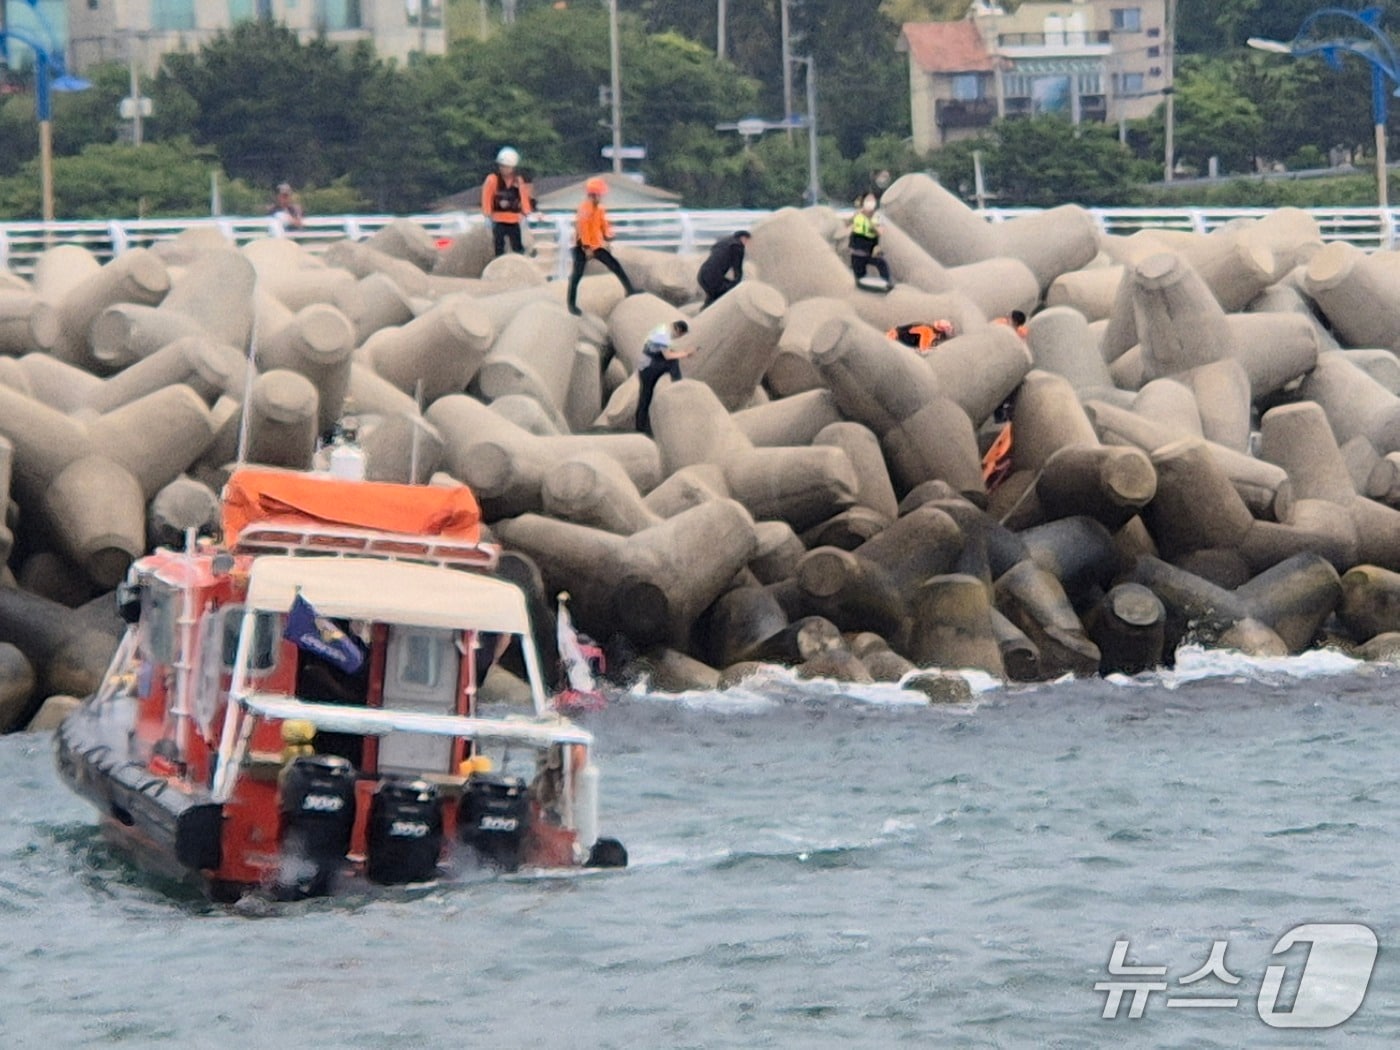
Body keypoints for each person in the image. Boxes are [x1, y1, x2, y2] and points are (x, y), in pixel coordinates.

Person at [566, 177, 635, 316]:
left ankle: (630, 290)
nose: (601, 197)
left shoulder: (599, 209)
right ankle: (571, 305)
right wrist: (586, 248)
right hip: (582, 246)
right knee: (577, 275)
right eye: (599, 194)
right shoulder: (585, 208)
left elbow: (603, 225)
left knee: (615, 265)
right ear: (593, 194)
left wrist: (608, 236)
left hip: (596, 245)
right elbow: (583, 228)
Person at [634, 319, 694, 436]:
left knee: (645, 395)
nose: (679, 337)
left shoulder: (663, 329)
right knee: (646, 395)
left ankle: (641, 426)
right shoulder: (664, 334)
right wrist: (686, 354)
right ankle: (678, 388)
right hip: (649, 366)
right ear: (677, 330)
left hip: (646, 363)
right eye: (680, 335)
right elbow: (667, 356)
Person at [482, 146, 532, 257]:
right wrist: (487, 215)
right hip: (498, 219)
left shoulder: (518, 180)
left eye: (507, 167)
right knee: (499, 246)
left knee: (517, 246)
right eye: (502, 166)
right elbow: (487, 197)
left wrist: (526, 213)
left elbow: (523, 197)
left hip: (514, 220)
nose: (504, 169)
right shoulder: (492, 179)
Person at [697, 230, 750, 307]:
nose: (747, 244)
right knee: (726, 292)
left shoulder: (723, 242)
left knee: (714, 296)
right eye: (747, 241)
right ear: (743, 238)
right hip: (713, 278)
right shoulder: (737, 246)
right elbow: (737, 268)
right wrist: (738, 284)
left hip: (702, 274)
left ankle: (704, 313)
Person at [849, 194, 891, 288]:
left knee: (882, 263)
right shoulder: (857, 215)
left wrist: (870, 222)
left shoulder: (877, 216)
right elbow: (849, 227)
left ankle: (887, 283)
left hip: (871, 250)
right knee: (859, 277)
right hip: (858, 252)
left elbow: (880, 232)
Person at [886, 319, 954, 353]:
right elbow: (923, 349)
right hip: (900, 336)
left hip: (901, 335)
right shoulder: (927, 331)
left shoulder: (928, 330)